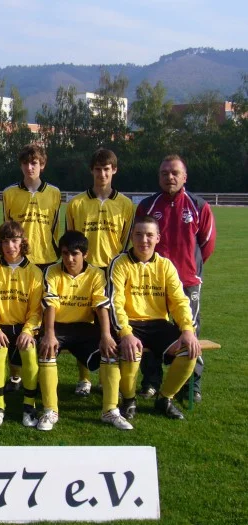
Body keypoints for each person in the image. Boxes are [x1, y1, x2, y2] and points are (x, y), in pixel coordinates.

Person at [135, 155, 216, 402]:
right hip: (153, 282)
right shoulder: (147, 206)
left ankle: (191, 384)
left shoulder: (199, 206)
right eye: (164, 173)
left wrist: (188, 268)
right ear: (158, 177)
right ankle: (151, 382)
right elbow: (140, 240)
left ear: (184, 177)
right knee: (149, 328)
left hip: (187, 282)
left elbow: (207, 244)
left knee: (190, 331)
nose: (169, 177)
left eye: (174, 173)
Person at [106, 216, 201, 422]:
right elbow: (115, 302)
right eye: (139, 234)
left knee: (189, 351)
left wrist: (187, 330)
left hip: (158, 324)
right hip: (130, 323)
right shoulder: (120, 263)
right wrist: (125, 333)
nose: (144, 240)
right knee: (131, 351)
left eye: (149, 235)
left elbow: (179, 301)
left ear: (158, 237)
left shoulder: (166, 265)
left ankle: (165, 398)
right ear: (132, 237)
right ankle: (129, 399)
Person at [64, 148, 133, 396]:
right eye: (98, 169)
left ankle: (106, 376)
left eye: (106, 169)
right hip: (85, 272)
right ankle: (84, 378)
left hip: (112, 273)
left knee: (111, 326)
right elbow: (71, 240)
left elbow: (125, 241)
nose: (102, 174)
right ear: (91, 171)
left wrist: (115, 266)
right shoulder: (76, 203)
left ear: (114, 170)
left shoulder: (125, 204)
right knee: (83, 323)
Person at [38, 230, 116, 431]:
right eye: (65, 253)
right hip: (58, 326)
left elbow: (101, 305)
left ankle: (110, 410)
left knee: (111, 350)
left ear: (85, 254)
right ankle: (50, 410)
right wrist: (49, 334)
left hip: (83, 327)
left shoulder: (97, 274)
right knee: (47, 350)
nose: (70, 259)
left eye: (75, 254)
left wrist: (106, 335)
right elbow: (50, 304)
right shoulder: (52, 271)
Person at [2, 144, 60, 392]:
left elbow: (55, 229)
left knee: (43, 321)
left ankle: (39, 372)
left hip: (45, 261)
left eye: (34, 163)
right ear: (21, 166)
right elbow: (7, 231)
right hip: (19, 262)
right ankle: (16, 376)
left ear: (42, 165)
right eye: (26, 163)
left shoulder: (54, 193)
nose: (30, 167)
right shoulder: (9, 192)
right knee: (17, 316)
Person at [0, 221, 43, 428]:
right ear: (0, 244)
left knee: (30, 355)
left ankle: (29, 406)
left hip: (24, 327)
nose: (10, 246)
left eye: (15, 241)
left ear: (22, 242)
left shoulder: (34, 272)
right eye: (5, 241)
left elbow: (36, 311)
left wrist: (28, 331)